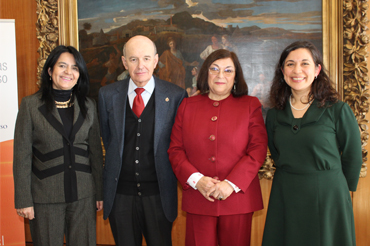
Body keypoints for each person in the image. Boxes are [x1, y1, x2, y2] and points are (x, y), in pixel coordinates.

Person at [262, 41, 362, 246]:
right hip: (285, 194)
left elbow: (353, 155)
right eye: (290, 64)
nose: (297, 70)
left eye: (305, 63)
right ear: (282, 71)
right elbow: (276, 152)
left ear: (317, 70)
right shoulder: (273, 115)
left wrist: (341, 192)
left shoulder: (338, 110)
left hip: (329, 197)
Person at [168, 49, 268, 246]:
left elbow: (257, 149)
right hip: (199, 196)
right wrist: (197, 181)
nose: (220, 75)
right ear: (205, 73)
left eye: (228, 70)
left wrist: (230, 184)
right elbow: (175, 150)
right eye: (214, 69)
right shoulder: (187, 105)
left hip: (238, 199)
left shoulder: (250, 105)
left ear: (236, 77)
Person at [99, 35, 187, 246]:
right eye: (133, 59)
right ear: (124, 62)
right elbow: (107, 137)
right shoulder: (107, 95)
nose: (140, 66)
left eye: (146, 58)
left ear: (156, 61)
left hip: (158, 195)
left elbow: (180, 144)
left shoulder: (176, 96)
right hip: (120, 196)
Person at [13, 45, 103, 246]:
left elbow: (95, 152)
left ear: (79, 74)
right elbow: (22, 156)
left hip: (83, 195)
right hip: (45, 197)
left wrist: (99, 192)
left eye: (74, 68)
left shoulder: (89, 105)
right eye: (62, 66)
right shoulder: (30, 106)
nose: (68, 72)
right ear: (50, 70)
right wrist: (23, 199)